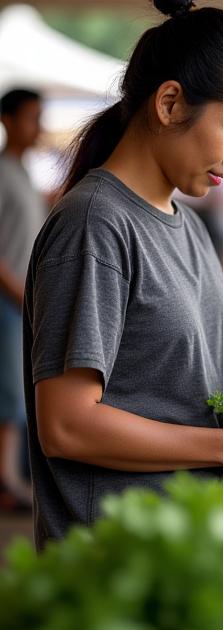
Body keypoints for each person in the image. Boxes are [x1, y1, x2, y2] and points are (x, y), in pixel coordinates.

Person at [23, 0, 223, 550]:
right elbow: (67, 426)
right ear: (170, 103)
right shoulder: (95, 226)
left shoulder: (188, 225)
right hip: (113, 561)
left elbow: (196, 372)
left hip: (190, 542)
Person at [0, 88, 46, 511]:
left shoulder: (22, 171)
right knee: (9, 393)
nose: (40, 126)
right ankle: (6, 481)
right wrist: (22, 296)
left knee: (16, 390)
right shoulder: (3, 172)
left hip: (19, 299)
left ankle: (11, 478)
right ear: (8, 120)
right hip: (8, 301)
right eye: (33, 117)